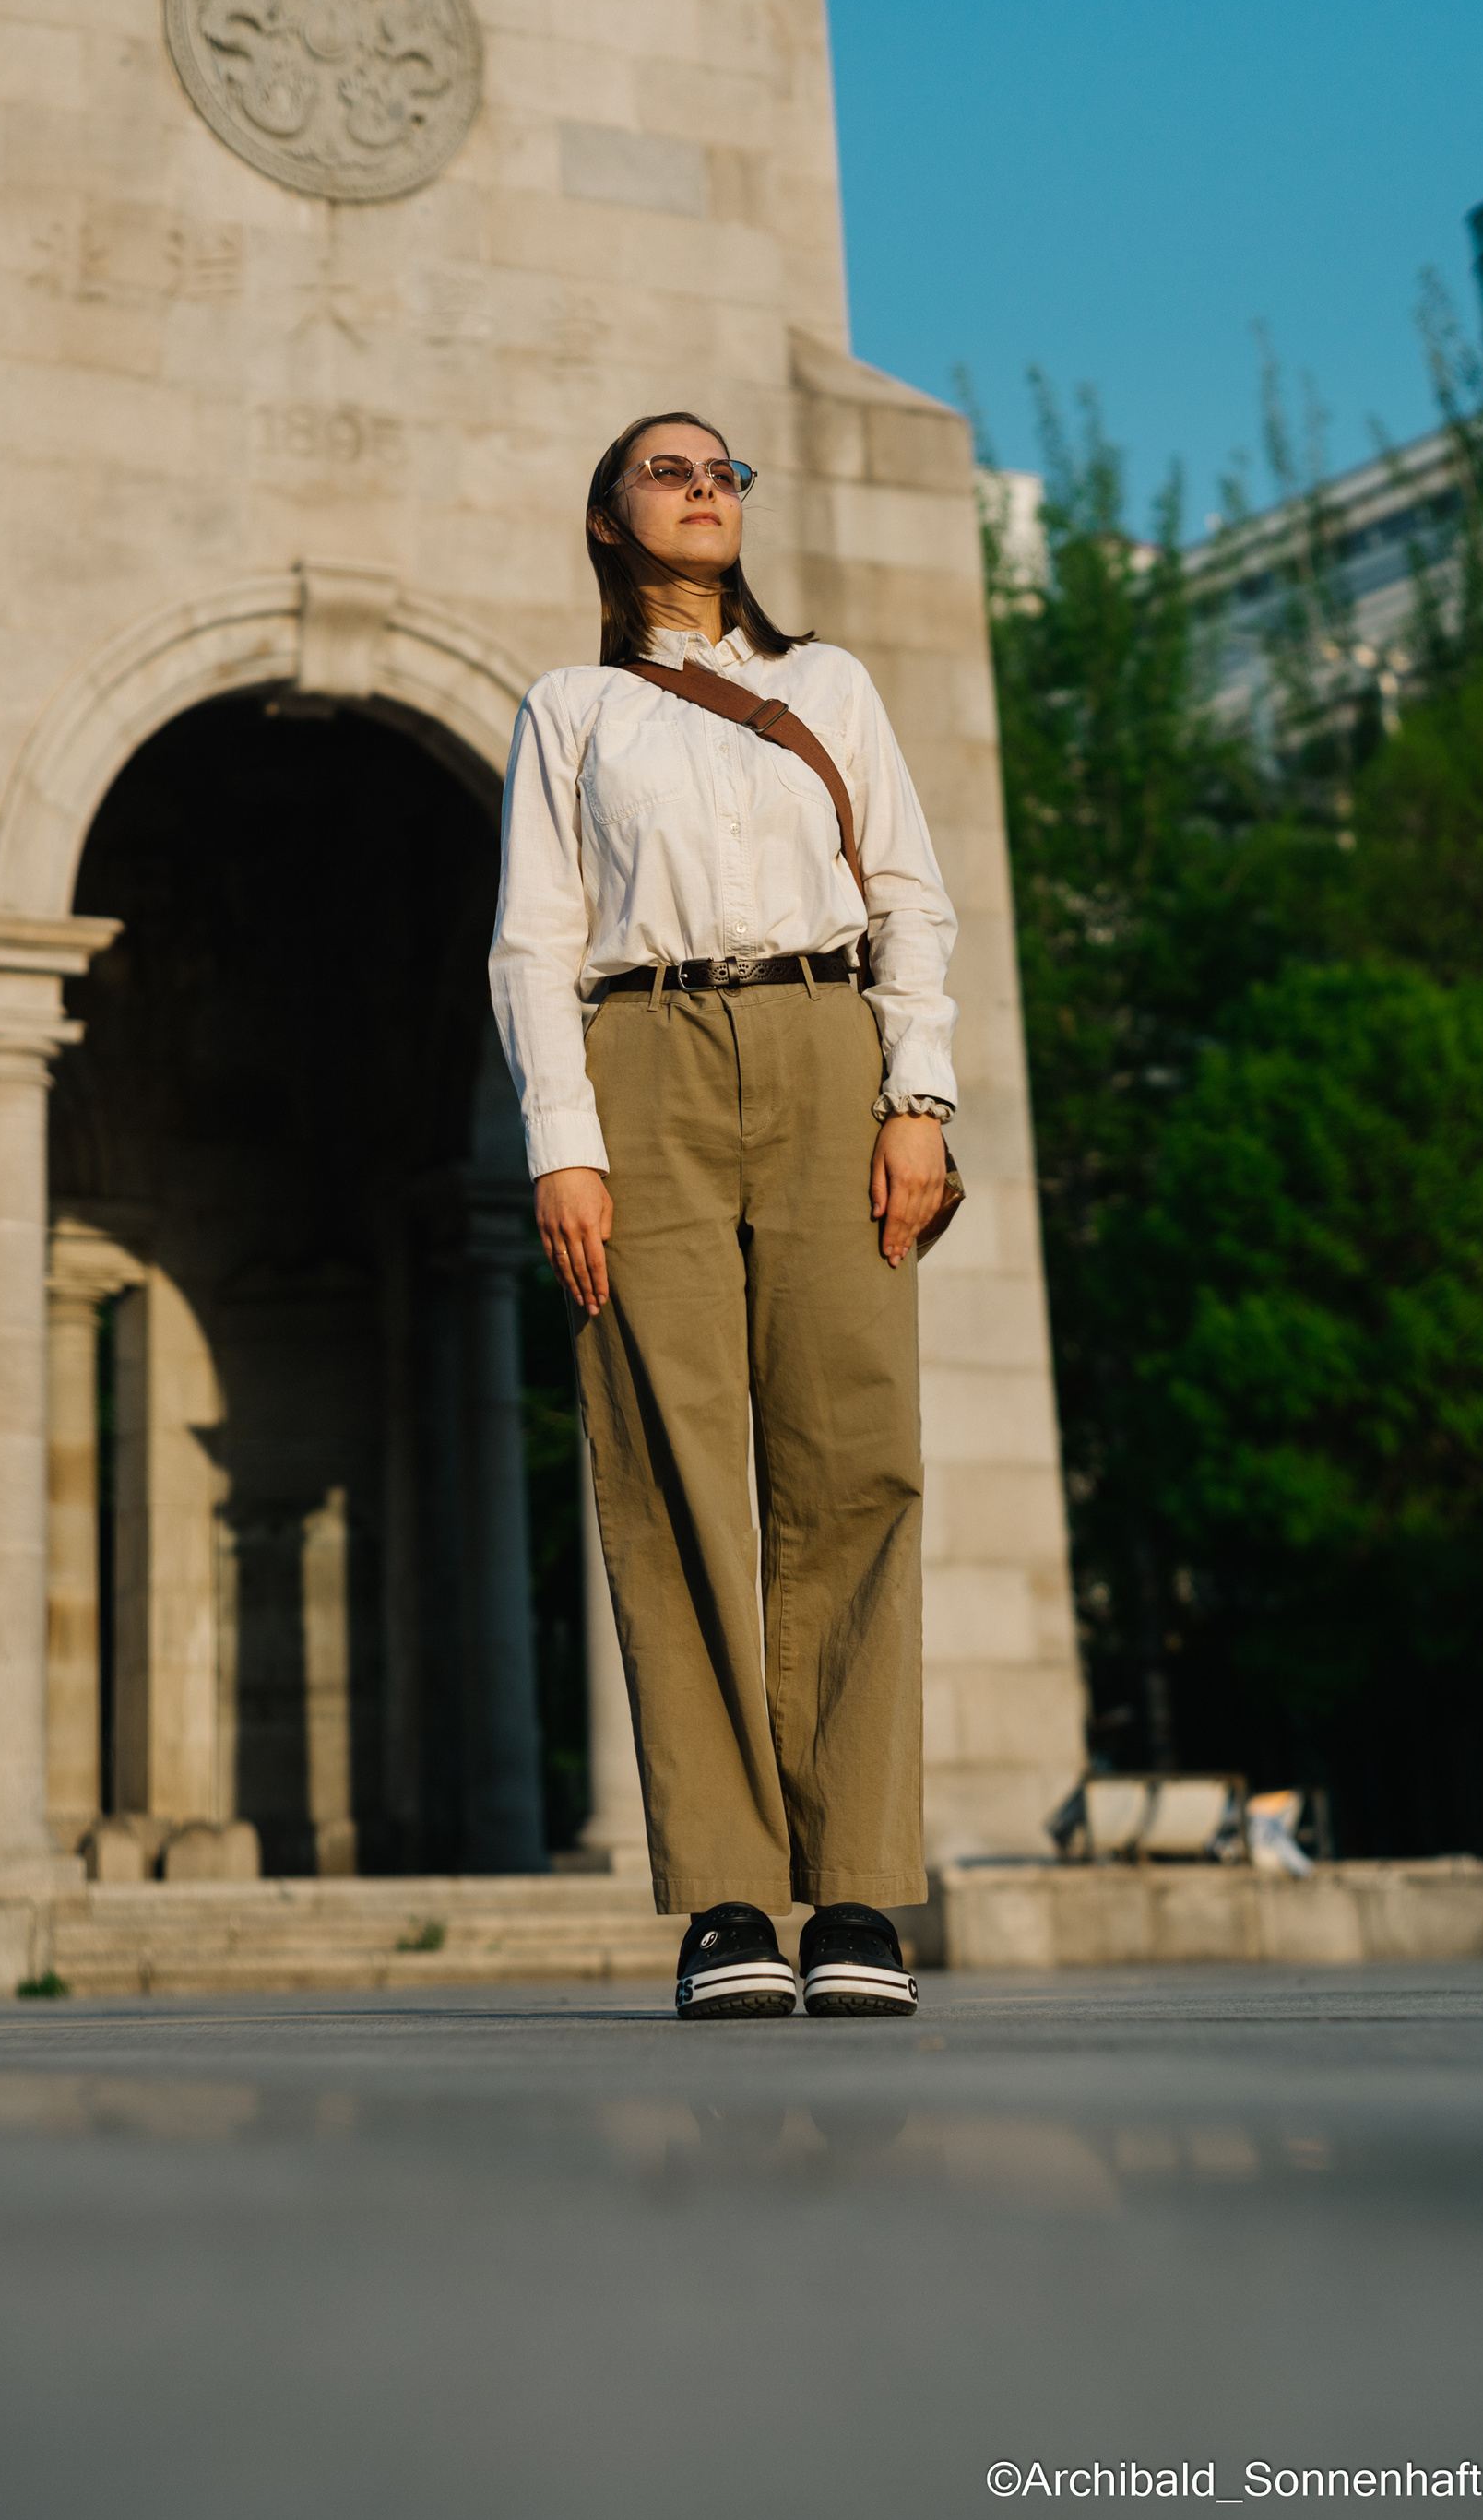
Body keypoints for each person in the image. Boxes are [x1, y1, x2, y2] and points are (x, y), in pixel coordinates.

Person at [488, 410, 956, 2018]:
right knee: (667, 1465)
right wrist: (565, 1139)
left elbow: (908, 892)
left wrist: (919, 1097)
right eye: (669, 472)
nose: (706, 489)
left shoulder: (829, 687)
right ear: (610, 520)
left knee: (854, 1458)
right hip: (643, 1055)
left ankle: (857, 1893)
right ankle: (730, 1897)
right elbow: (533, 943)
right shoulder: (569, 710)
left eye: (725, 472)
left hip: (831, 1046)